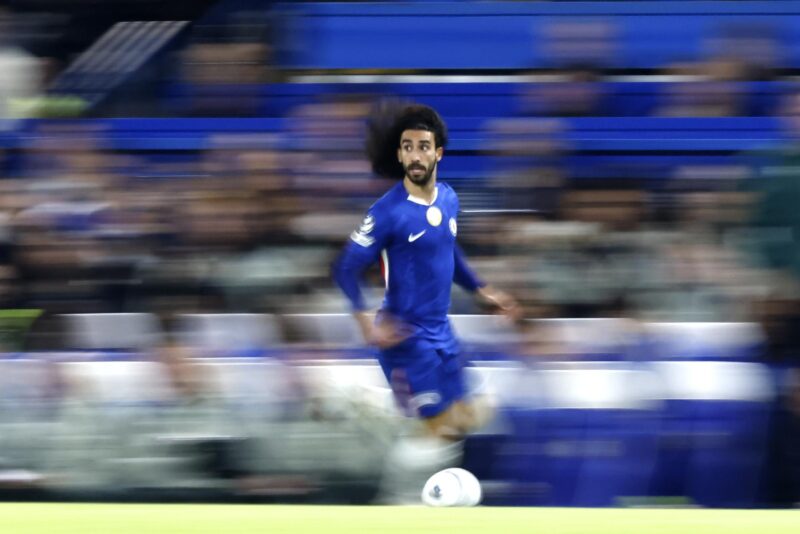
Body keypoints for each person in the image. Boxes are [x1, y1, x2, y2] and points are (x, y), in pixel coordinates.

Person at [333, 102, 520, 441]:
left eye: (423, 147)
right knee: (442, 431)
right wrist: (365, 321)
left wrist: (481, 289)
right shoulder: (387, 213)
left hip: (441, 331)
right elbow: (346, 268)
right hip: (404, 335)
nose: (415, 156)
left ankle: (378, 409)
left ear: (439, 153)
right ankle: (369, 412)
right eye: (408, 148)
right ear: (400, 156)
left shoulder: (448, 199)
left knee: (476, 416)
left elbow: (447, 249)